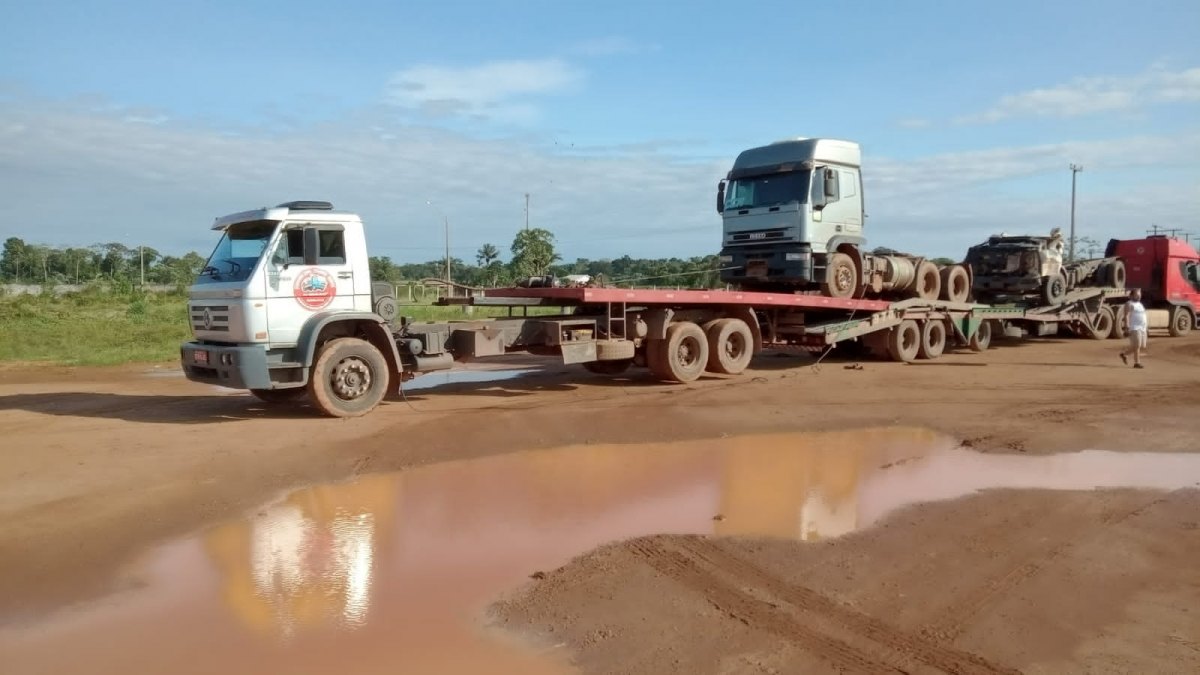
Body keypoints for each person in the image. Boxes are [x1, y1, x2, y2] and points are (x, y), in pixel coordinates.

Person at [1119, 289, 1148, 368]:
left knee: (1140, 346)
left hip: (1142, 328)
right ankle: (1137, 363)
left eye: (1140, 294)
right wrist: (1126, 328)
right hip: (1134, 327)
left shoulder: (1140, 304)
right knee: (1137, 345)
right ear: (1131, 295)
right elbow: (1126, 316)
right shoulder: (1129, 304)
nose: (1139, 296)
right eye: (1137, 294)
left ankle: (1124, 354)